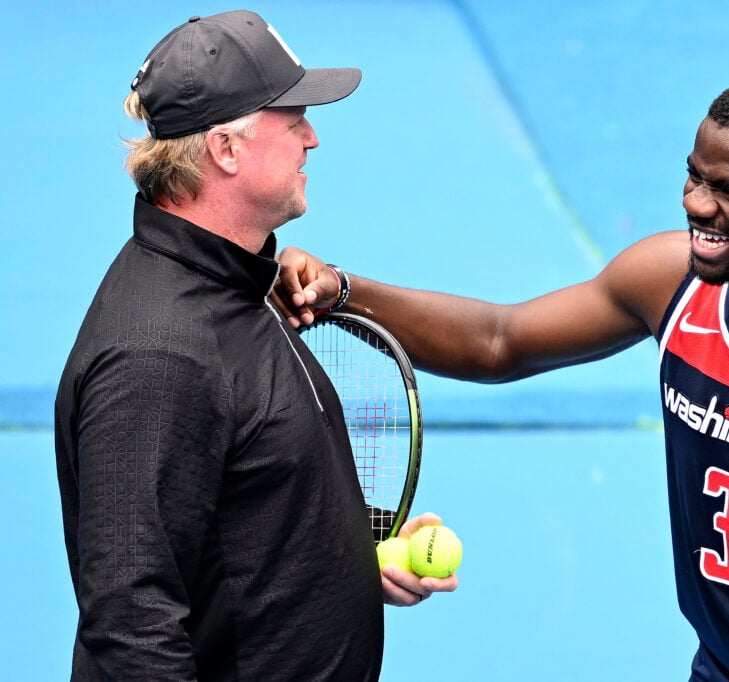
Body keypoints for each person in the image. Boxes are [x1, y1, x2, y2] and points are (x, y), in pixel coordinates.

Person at [274, 67, 729, 680]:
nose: (697, 204)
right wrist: (342, 289)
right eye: (695, 176)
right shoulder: (673, 280)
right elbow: (498, 341)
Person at [54, 11, 455, 681]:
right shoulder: (157, 356)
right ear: (226, 149)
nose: (313, 137)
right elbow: (131, 624)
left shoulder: (240, 283)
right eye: (293, 119)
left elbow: (241, 497)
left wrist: (356, 550)